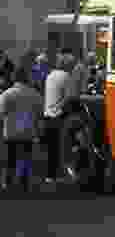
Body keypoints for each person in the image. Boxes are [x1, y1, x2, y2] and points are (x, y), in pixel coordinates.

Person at [0, 66, 43, 192]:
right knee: (26, 158)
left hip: (11, 132)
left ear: (14, 78)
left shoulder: (7, 94)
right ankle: (24, 183)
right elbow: (40, 114)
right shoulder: (35, 94)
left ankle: (8, 182)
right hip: (28, 132)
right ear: (26, 78)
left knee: (10, 158)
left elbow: (1, 113)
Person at [43, 53, 77, 182]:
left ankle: (50, 175)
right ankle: (66, 173)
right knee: (64, 147)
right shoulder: (66, 76)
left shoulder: (50, 75)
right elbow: (70, 97)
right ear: (66, 65)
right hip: (59, 116)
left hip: (48, 115)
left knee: (51, 148)